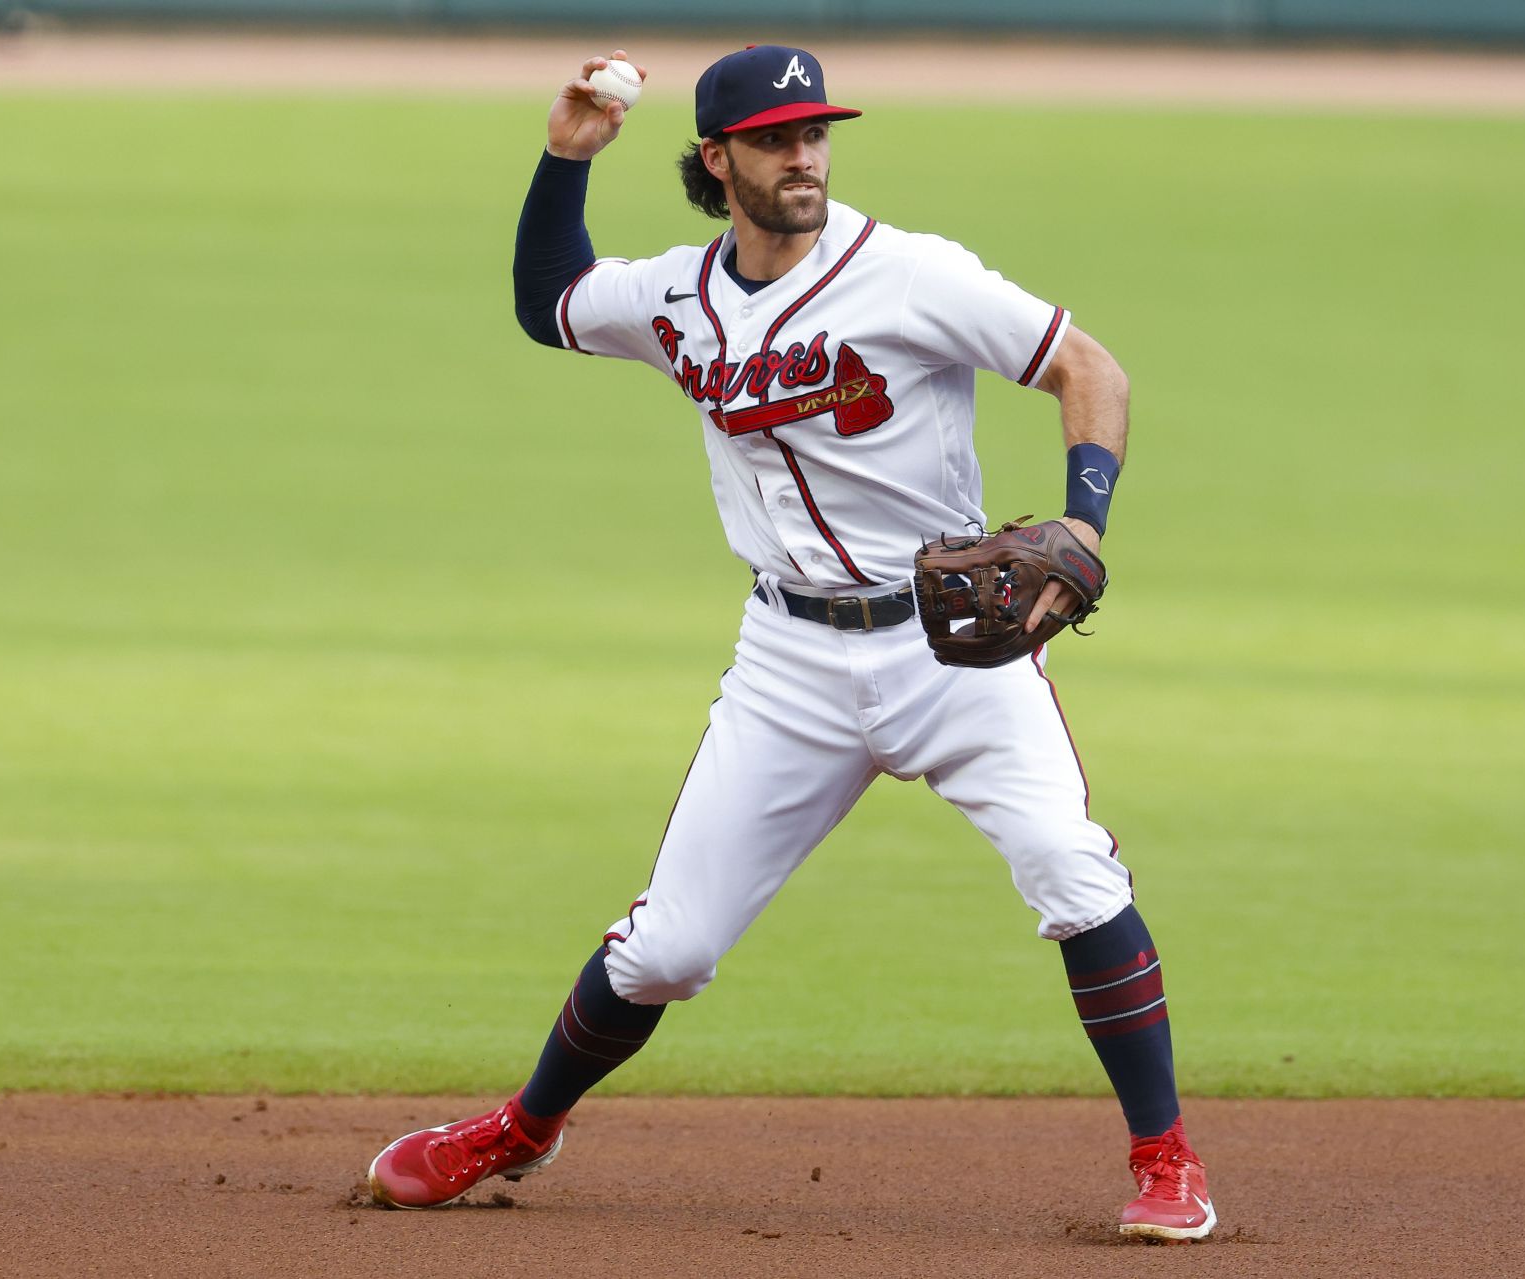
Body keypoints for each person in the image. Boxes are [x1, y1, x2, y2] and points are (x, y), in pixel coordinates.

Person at [367, 44, 1217, 1242]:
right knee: (668, 946)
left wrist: (1085, 515)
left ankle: (1166, 1160)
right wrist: (565, 159)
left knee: (1073, 874)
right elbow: (546, 300)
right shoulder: (674, 298)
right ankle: (522, 1127)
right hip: (789, 666)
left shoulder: (913, 275)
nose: (804, 154)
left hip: (951, 650)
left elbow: (1090, 366)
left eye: (816, 133)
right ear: (717, 160)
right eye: (774, 139)